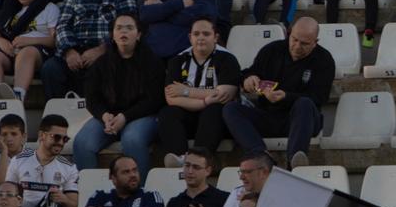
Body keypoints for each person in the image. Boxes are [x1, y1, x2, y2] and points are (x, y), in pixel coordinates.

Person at [224, 16, 336, 168]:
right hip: (267, 115)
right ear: (289, 34)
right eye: (294, 39)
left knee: (304, 103)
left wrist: (287, 97)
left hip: (301, 120)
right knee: (230, 109)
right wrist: (249, 79)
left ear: (315, 42)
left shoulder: (324, 60)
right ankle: (260, 155)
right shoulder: (272, 50)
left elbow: (319, 97)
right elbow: (250, 71)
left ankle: (295, 160)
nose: (297, 46)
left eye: (304, 44)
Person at [70, 13, 162, 171]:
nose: (123, 32)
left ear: (138, 35)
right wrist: (104, 115)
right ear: (112, 35)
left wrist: (125, 117)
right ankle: (90, 192)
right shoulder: (101, 64)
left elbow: (154, 100)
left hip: (142, 116)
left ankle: (140, 191)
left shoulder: (153, 62)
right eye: (119, 28)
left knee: (132, 139)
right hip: (108, 118)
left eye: (129, 28)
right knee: (82, 142)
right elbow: (92, 98)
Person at [156, 14, 240, 164]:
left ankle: (199, 160)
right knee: (167, 113)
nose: (200, 38)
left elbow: (224, 94)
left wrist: (186, 91)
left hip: (216, 121)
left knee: (214, 109)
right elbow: (171, 98)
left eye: (206, 34)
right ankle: (180, 158)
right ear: (190, 37)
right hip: (189, 116)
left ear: (215, 37)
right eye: (196, 34)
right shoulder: (177, 61)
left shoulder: (227, 59)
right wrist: (205, 100)